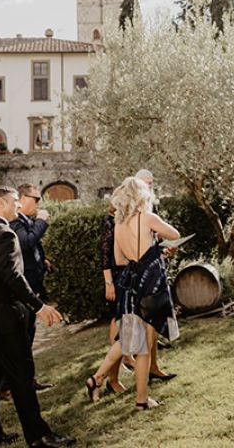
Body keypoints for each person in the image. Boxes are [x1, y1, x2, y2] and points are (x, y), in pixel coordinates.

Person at [0, 186, 75, 447]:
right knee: (22, 378)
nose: (18, 206)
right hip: (7, 319)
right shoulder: (4, 234)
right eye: (15, 201)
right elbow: (14, 278)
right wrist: (40, 306)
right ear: (2, 203)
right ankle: (39, 436)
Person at [86, 177, 180, 409]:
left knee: (135, 344)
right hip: (150, 287)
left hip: (130, 287)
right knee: (144, 347)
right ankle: (141, 400)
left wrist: (139, 255)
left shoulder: (118, 225)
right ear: (142, 197)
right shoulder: (148, 218)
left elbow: (119, 259)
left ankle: (122, 390)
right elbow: (175, 235)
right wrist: (155, 249)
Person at [8, 184, 54, 393]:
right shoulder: (15, 221)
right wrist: (42, 222)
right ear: (23, 198)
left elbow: (30, 249)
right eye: (36, 198)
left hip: (33, 286)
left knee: (28, 336)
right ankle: (7, 385)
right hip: (23, 291)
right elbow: (26, 242)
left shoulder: (24, 221)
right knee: (21, 339)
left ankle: (28, 379)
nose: (38, 203)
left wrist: (41, 260)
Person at [132, 168, 176, 382]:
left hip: (152, 267)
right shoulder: (133, 212)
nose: (150, 187)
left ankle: (154, 367)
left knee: (153, 322)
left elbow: (151, 240)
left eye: (151, 183)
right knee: (144, 324)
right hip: (142, 275)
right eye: (146, 183)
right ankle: (140, 371)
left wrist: (161, 247)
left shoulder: (150, 208)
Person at [99, 189, 127, 395]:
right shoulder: (109, 221)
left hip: (128, 277)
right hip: (116, 279)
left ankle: (120, 366)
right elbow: (105, 255)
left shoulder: (126, 219)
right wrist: (109, 283)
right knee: (119, 324)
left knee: (124, 324)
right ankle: (111, 379)